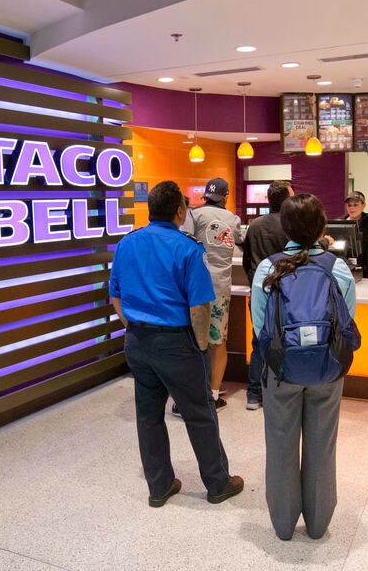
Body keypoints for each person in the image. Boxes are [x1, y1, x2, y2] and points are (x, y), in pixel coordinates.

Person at [109, 180, 244, 508]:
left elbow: (115, 295)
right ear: (181, 211)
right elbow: (200, 306)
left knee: (149, 415)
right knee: (199, 412)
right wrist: (199, 345)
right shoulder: (187, 249)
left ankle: (159, 486)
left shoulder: (126, 244)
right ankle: (217, 483)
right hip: (176, 342)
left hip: (137, 341)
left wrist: (137, 327)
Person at [250, 193, 356, 541]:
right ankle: (318, 523)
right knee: (322, 443)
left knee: (280, 443)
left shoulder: (269, 268)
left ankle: (283, 524)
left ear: (285, 226)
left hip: (281, 371)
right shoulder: (338, 268)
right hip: (327, 370)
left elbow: (260, 327)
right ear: (322, 226)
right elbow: (346, 322)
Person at [177, 177, 243, 414]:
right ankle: (213, 396)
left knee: (192, 342)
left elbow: (183, 245)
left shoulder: (194, 215)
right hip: (220, 289)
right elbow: (241, 242)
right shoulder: (233, 220)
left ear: (206, 195)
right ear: (225, 197)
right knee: (218, 343)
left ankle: (185, 397)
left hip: (194, 289)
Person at [241, 180, 294, 410]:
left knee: (259, 342)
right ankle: (283, 392)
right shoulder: (291, 225)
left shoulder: (255, 225)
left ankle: (254, 395)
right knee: (287, 341)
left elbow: (246, 260)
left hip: (260, 292)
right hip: (287, 292)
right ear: (286, 199)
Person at [342, 191, 368, 279]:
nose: (352, 208)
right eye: (349, 205)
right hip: (344, 270)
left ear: (363, 205)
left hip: (363, 270)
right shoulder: (340, 223)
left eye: (355, 205)